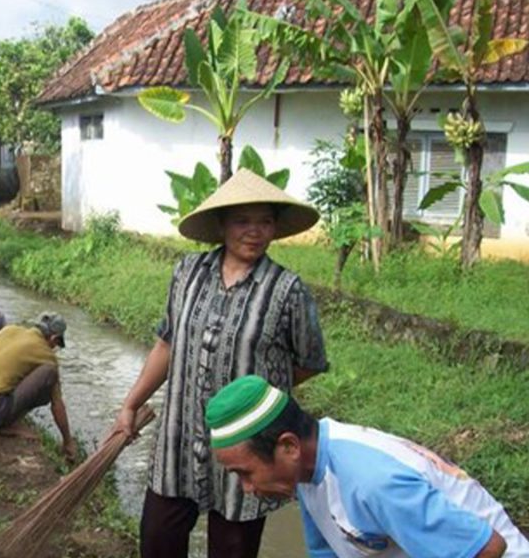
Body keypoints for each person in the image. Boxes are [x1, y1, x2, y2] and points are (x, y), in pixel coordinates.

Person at [111, 169, 328, 558]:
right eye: (243, 220)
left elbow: (310, 362)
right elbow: (167, 344)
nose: (255, 231)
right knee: (157, 542)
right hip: (178, 441)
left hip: (248, 453)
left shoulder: (287, 290)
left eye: (265, 221)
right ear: (222, 225)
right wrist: (130, 403)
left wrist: (257, 390)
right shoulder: (187, 274)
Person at [205, 376, 528, 558]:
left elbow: (486, 549)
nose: (247, 488)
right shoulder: (307, 471)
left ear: (288, 446)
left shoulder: (372, 480)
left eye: (244, 473)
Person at [0, 312, 76, 463]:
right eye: (56, 344)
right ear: (53, 338)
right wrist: (68, 441)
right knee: (49, 373)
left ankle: (4, 418)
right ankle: (6, 424)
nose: (54, 349)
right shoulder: (45, 354)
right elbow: (57, 405)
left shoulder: (9, 330)